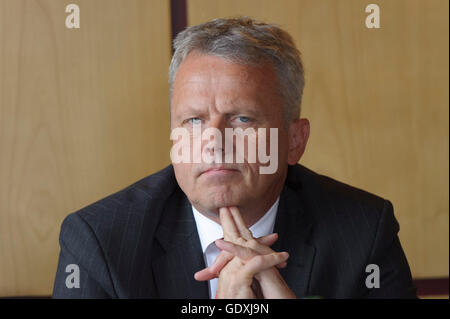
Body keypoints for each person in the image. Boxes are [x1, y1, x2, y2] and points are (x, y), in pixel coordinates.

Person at [52, 17, 416, 298]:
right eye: (193, 121)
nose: (213, 141)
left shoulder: (364, 231)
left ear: (295, 140)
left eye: (241, 118)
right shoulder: (100, 241)